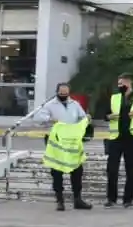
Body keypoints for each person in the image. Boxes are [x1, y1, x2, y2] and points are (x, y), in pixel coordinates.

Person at [34, 82, 94, 212]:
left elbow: (82, 117)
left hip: (72, 142)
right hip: (56, 142)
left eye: (66, 93)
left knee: (77, 170)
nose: (64, 95)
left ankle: (77, 199)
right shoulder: (49, 105)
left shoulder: (75, 104)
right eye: (61, 93)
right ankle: (60, 201)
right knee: (57, 171)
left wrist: (87, 119)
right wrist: (50, 119)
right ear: (57, 92)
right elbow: (38, 118)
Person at [105, 72, 133, 208]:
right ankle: (111, 198)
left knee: (131, 170)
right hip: (115, 138)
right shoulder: (114, 98)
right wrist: (109, 116)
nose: (119, 86)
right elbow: (105, 114)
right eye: (118, 84)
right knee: (112, 169)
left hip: (131, 138)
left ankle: (128, 199)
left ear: (129, 83)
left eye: (121, 83)